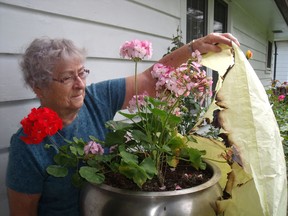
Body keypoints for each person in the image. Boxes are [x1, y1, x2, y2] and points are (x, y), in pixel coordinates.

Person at [6, 33, 240, 216]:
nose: (80, 85)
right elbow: (22, 213)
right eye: (67, 78)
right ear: (39, 87)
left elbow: (151, 79)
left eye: (82, 73)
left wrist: (194, 48)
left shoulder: (96, 98)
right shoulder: (27, 146)